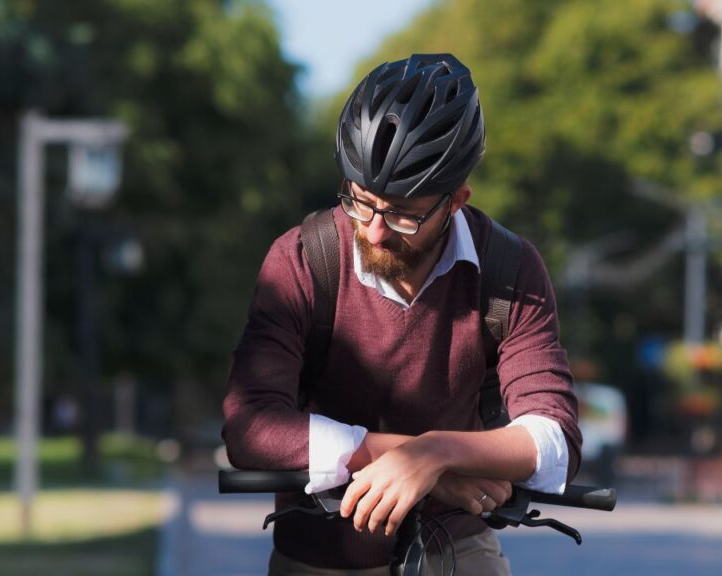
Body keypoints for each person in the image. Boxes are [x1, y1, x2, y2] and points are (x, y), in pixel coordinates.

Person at [223, 53, 581, 575]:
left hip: (456, 547)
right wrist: (416, 457)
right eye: (360, 202)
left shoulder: (508, 269)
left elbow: (555, 437)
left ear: (457, 200)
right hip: (324, 551)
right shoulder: (301, 261)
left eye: (402, 214)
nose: (373, 230)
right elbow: (249, 427)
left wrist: (438, 454)